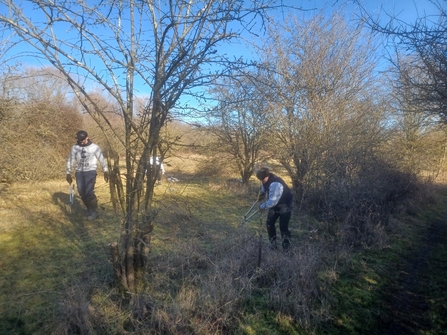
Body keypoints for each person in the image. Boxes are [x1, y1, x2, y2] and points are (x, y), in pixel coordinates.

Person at [66, 130, 109, 220]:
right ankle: (89, 208)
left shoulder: (94, 147)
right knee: (82, 193)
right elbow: (71, 159)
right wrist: (68, 172)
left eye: (82, 139)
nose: (80, 141)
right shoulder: (75, 148)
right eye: (79, 140)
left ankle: (94, 212)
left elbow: (101, 158)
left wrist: (105, 170)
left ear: (87, 137)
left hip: (90, 171)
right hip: (79, 172)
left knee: (89, 192)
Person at [256, 167, 293, 250]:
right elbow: (264, 186)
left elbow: (272, 202)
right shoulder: (265, 179)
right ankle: (273, 245)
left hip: (285, 205)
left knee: (283, 227)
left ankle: (286, 249)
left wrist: (261, 206)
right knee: (269, 224)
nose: (261, 181)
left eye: (262, 179)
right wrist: (261, 193)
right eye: (260, 179)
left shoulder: (275, 184)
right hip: (275, 205)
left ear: (267, 176)